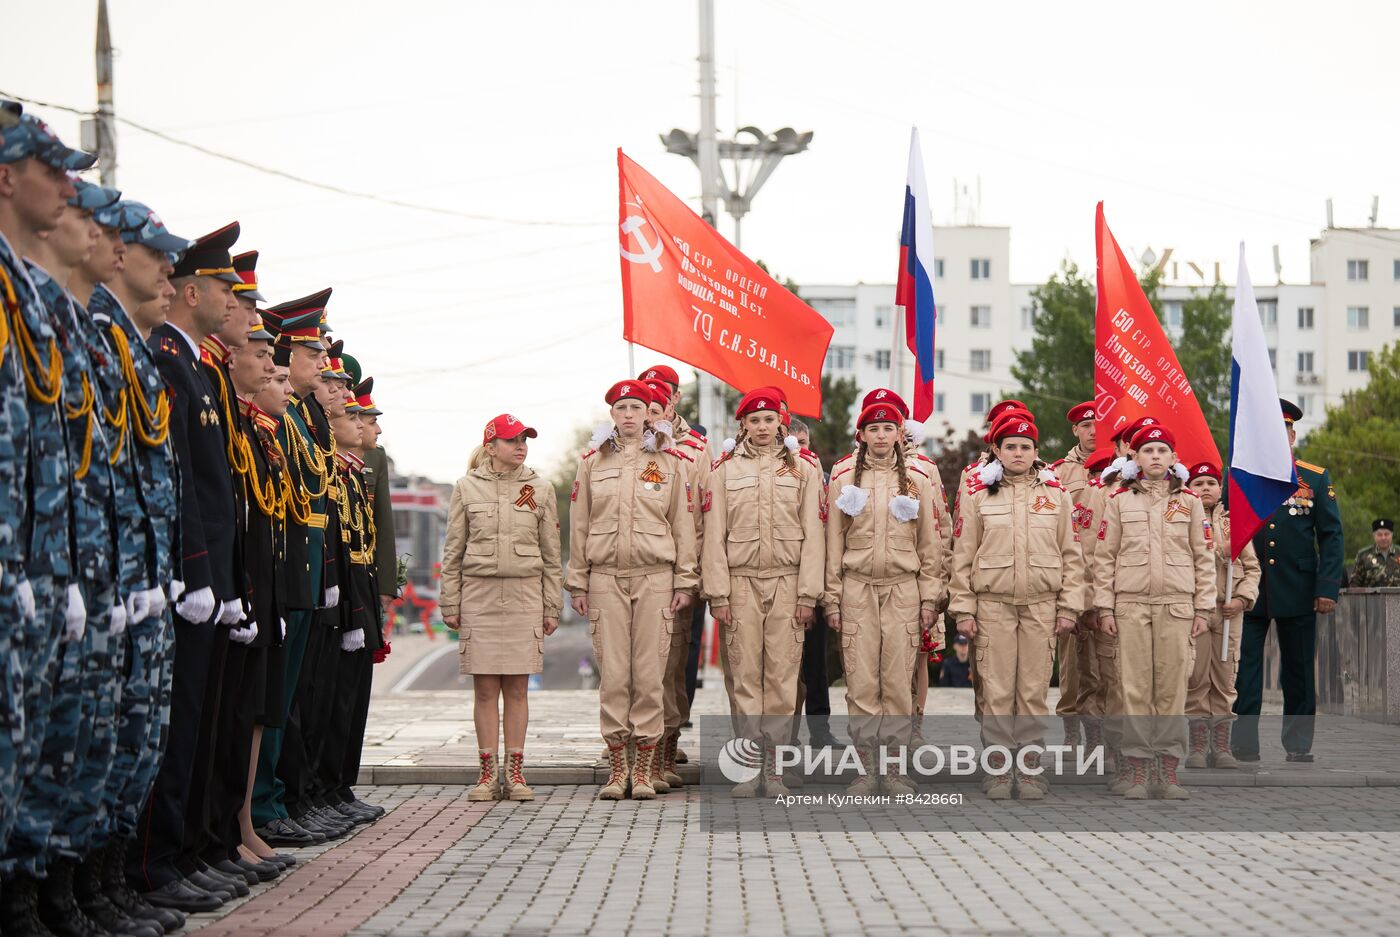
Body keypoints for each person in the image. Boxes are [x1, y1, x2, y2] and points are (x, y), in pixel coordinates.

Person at [132, 222, 250, 908]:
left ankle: (188, 851)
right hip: (185, 578)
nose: (234, 302)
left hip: (210, 581)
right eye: (227, 290)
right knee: (176, 726)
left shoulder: (195, 364)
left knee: (202, 720)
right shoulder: (172, 360)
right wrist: (197, 571)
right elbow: (178, 479)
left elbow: (216, 486)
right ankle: (159, 862)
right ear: (194, 289)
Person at [0, 109, 94, 928]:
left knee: (48, 747)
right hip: (15, 565)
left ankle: (54, 890)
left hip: (50, 565)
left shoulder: (37, 299)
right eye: (51, 169)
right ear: (6, 176)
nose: (67, 187)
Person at [567, 381, 697, 800]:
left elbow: (683, 525)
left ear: (648, 414)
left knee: (650, 673)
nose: (627, 415)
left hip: (655, 578)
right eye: (620, 407)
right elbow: (579, 525)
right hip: (605, 577)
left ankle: (643, 770)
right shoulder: (591, 463)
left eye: (635, 408)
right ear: (612, 415)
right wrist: (578, 581)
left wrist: (685, 580)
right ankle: (616, 768)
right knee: (614, 675)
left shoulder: (670, 461)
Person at [949, 412, 1085, 801]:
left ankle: (1027, 770)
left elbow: (1070, 555)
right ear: (996, 450)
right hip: (993, 605)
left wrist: (1069, 607)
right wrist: (964, 608)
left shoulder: (1056, 493)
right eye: (1010, 446)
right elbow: (963, 554)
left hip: (1041, 606)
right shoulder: (978, 492)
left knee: (1032, 690)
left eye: (1026, 447)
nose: (1018, 453)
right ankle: (996, 769)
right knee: (995, 690)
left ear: (1036, 451)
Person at [703, 389, 823, 796]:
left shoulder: (803, 469)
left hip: (787, 582)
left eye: (769, 420)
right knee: (744, 677)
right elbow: (714, 536)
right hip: (740, 583)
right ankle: (750, 766)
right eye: (754, 421)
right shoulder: (723, 471)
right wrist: (718, 593)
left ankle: (774, 768)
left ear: (781, 423)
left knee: (783, 677)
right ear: (743, 426)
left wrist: (808, 595)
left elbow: (814, 536)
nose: (761, 427)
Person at [440, 414, 562, 802]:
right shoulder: (465, 488)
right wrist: (450, 601)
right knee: (485, 688)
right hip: (479, 594)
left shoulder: (540, 489)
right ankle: (487, 775)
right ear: (491, 447)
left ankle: (516, 773)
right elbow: (453, 550)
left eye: (524, 439)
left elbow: (551, 553)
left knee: (518, 688)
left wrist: (551, 604)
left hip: (526, 593)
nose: (520, 446)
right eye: (511, 440)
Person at [825, 401, 945, 795]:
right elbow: (832, 545)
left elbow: (930, 545)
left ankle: (894, 770)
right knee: (861, 682)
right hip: (856, 588)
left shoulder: (917, 479)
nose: (880, 436)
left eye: (888, 429)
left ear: (899, 434)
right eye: (873, 430)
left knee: (897, 681)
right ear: (861, 435)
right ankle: (866, 770)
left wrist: (930, 599)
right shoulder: (844, 478)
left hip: (902, 589)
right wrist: (832, 599)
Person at [1094, 424, 1214, 800]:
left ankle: (1168, 769)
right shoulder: (1118, 501)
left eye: (1163, 450)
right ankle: (1139, 769)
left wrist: (1203, 607)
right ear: (1135, 458)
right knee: (1134, 688)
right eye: (1148, 451)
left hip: (1177, 607)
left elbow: (1204, 558)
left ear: (1175, 458)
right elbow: (1104, 559)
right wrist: (1104, 606)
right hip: (1130, 605)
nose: (1156, 457)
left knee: (1172, 689)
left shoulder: (1191, 504)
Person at [1232, 399, 1343, 764]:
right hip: (1250, 589)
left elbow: (1331, 535)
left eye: (1286, 430)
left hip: (1298, 588)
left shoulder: (1313, 477)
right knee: (1244, 669)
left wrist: (1326, 588)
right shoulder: (1241, 474)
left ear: (1293, 435)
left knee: (1297, 670)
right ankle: (1243, 745)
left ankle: (1298, 744)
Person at [1183, 462, 1260, 769]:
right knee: (1197, 679)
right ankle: (1198, 746)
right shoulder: (1183, 517)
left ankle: (1221, 746)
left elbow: (1252, 569)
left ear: (1220, 488)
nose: (1205, 489)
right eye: (1198, 483)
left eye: (1211, 483)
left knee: (1226, 679)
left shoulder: (1234, 522)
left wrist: (1242, 598)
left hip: (1230, 613)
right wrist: (1219, 551)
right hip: (1197, 612)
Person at [1049, 402, 1099, 754]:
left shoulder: (1122, 471)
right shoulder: (1058, 473)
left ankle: (1098, 733)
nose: (1094, 430)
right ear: (1075, 431)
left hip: (1106, 580)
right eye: (1086, 425)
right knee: (1070, 665)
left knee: (1103, 664)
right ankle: (1070, 730)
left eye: (1100, 424)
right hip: (1069, 577)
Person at [1352, 519, 1400, 587]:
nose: (1383, 538)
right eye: (1379, 535)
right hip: (1370, 597)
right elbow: (1354, 584)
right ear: (1374, 536)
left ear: (1392, 534)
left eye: (1386, 534)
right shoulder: (1363, 555)